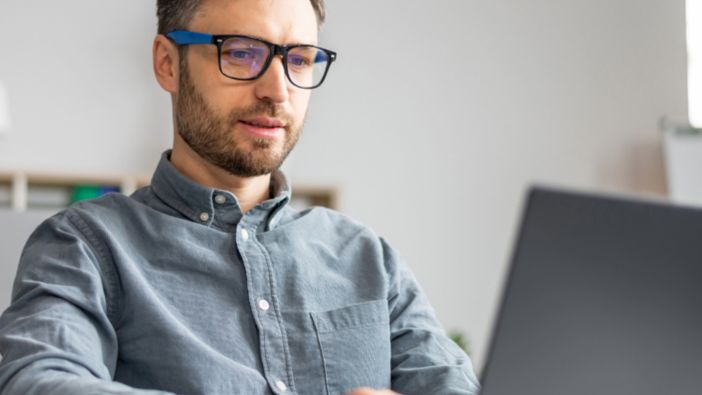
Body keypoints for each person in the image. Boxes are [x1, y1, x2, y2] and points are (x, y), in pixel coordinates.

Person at [0, 0, 481, 394]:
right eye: (242, 53)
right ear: (168, 63)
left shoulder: (367, 257)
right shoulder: (86, 246)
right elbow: (40, 382)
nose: (278, 90)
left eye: (299, 59)